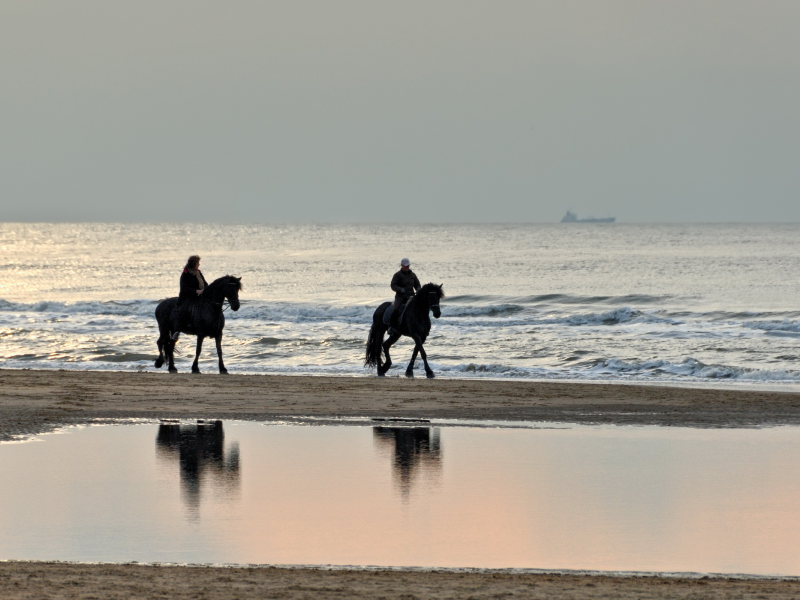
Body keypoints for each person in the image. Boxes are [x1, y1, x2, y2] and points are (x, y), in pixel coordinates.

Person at [384, 258, 421, 333]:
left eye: (408, 266)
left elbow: (417, 285)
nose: (407, 267)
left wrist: (418, 290)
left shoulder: (413, 275)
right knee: (396, 309)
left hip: (411, 296)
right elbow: (393, 285)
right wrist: (401, 289)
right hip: (401, 297)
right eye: (405, 266)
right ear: (402, 265)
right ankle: (391, 327)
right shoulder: (397, 275)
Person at [177, 255, 208, 331]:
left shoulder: (198, 273)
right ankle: (181, 327)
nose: (199, 264)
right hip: (188, 297)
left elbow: (205, 283)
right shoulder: (185, 274)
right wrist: (196, 291)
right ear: (194, 263)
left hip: (199, 296)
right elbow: (184, 288)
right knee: (187, 309)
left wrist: (207, 289)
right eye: (198, 263)